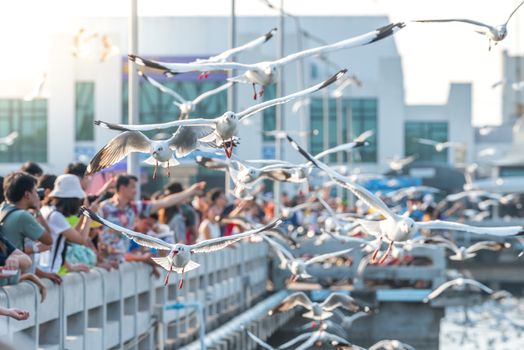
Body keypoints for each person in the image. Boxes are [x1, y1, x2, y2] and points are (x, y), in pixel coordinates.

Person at [98, 174, 206, 263]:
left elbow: (164, 202)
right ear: (122, 188)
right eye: (132, 187)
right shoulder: (104, 208)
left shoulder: (134, 208)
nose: (135, 191)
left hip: (121, 263)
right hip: (106, 262)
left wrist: (190, 191)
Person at [0, 172, 59, 284]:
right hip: (10, 284)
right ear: (27, 195)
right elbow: (49, 240)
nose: (38, 196)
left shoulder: (3, 210)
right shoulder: (22, 216)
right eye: (36, 192)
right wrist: (37, 210)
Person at [38, 174, 95, 275]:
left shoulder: (47, 210)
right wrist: (90, 215)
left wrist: (84, 215)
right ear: (72, 200)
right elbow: (81, 240)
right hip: (49, 273)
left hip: (44, 271)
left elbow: (71, 236)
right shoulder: (55, 216)